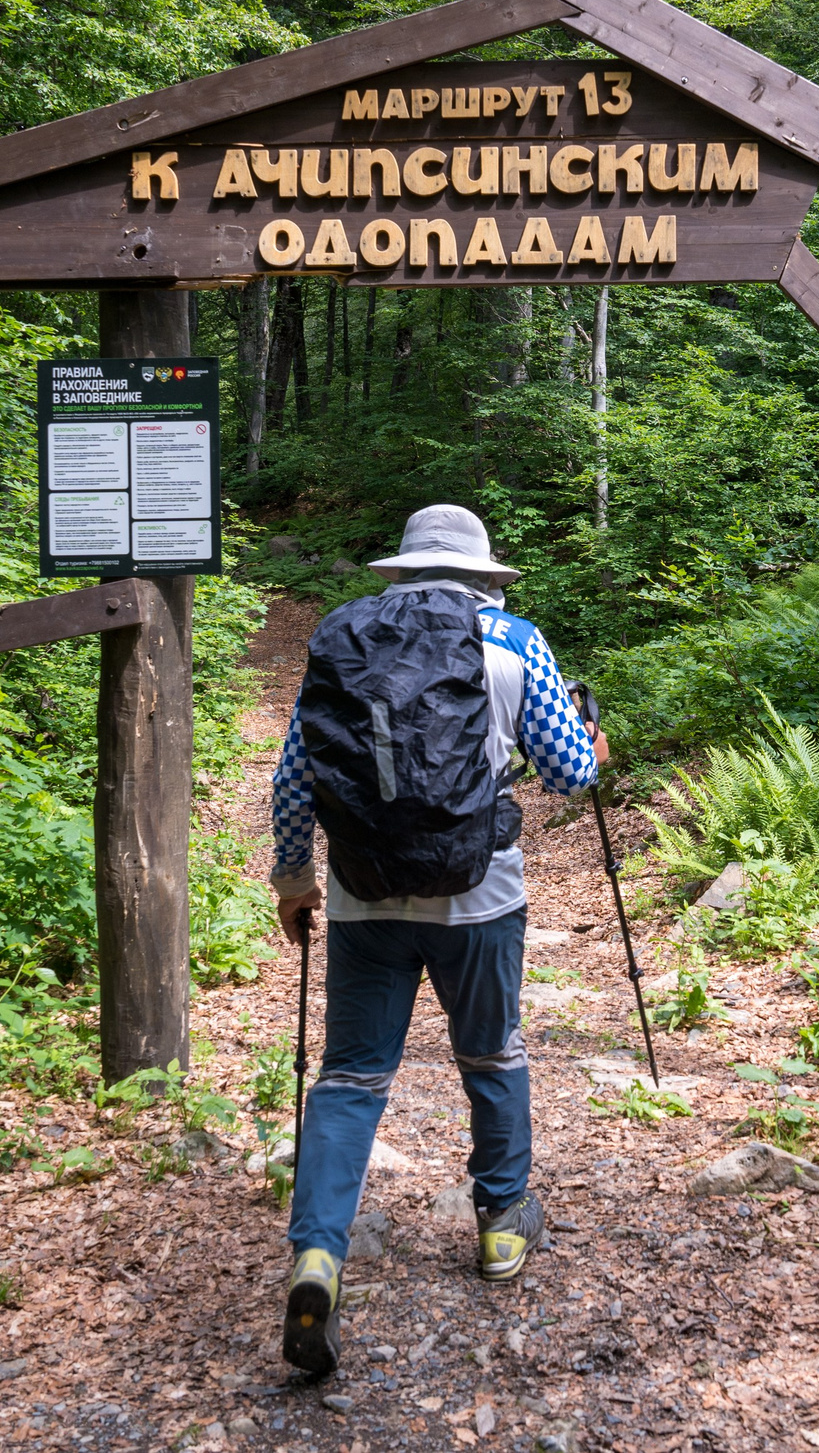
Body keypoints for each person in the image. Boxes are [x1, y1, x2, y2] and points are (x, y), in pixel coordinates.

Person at [268, 504, 607, 1377]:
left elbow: (296, 771)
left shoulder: (343, 636)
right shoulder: (515, 642)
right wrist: (591, 744)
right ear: (483, 575)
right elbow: (571, 770)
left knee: (348, 1077)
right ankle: (500, 1225)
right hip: (481, 894)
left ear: (404, 569)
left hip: (362, 893)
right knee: (492, 1053)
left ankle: (317, 1258)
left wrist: (293, 876)